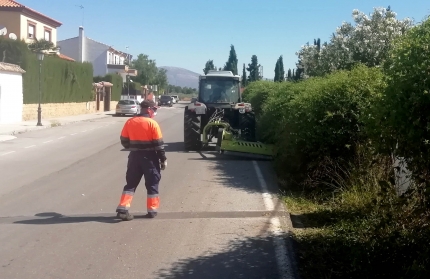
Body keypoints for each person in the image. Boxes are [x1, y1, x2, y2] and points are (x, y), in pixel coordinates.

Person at [115, 100, 167, 221]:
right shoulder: (152, 124)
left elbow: (124, 141)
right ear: (149, 109)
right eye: (154, 109)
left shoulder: (130, 122)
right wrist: (163, 159)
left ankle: (123, 209)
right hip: (150, 158)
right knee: (152, 183)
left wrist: (134, 148)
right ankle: (152, 211)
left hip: (134, 157)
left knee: (131, 183)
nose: (155, 111)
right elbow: (159, 145)